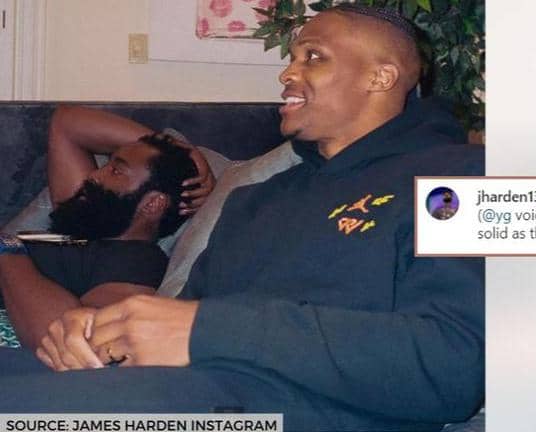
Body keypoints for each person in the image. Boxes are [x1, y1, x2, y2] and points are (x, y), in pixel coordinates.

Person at [0, 5, 484, 431]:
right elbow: (181, 326)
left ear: (380, 77)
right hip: (194, 391)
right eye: (292, 58)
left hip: (310, 411)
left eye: (313, 56)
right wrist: (99, 333)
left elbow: (454, 366)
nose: (288, 73)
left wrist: (206, 331)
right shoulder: (255, 200)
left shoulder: (463, 178)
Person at [0, 106, 212, 352]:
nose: (94, 176)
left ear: (153, 203)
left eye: (116, 171)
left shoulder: (135, 260)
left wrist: (8, 251)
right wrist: (185, 151)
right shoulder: (84, 219)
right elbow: (66, 123)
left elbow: (81, 342)